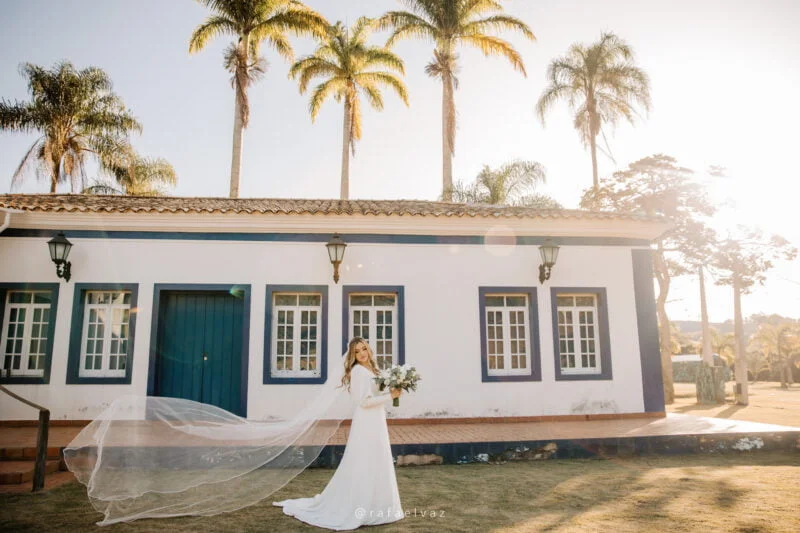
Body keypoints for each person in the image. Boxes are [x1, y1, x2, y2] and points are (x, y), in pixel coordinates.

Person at [272, 337, 405, 530]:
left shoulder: (373, 370)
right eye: (357, 352)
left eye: (364, 349)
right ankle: (362, 507)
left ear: (369, 349)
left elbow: (374, 394)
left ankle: (379, 506)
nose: (362, 354)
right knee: (365, 460)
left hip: (377, 420)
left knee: (377, 458)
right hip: (367, 421)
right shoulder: (359, 371)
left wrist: (391, 390)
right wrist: (390, 396)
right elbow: (364, 402)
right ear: (353, 356)